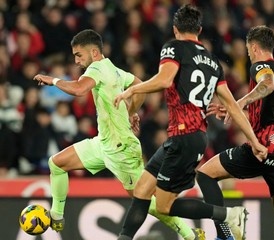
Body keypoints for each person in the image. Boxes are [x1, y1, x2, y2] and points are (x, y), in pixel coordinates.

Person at [33, 29, 207, 240]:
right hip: (104, 143)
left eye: (79, 55)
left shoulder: (96, 69)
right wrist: (131, 112)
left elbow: (79, 90)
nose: (76, 60)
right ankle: (56, 216)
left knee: (147, 202)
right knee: (57, 163)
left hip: (121, 149)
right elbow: (140, 86)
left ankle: (191, 235)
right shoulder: (113, 69)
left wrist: (53, 80)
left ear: (94, 53)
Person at [114, 5, 267, 240]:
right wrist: (254, 140)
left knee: (164, 206)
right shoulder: (213, 62)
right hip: (190, 137)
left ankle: (228, 215)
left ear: (175, 29)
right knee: (142, 190)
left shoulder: (174, 48)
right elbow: (233, 107)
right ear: (199, 30)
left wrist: (131, 90)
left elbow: (165, 80)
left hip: (184, 136)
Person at [197, 25, 274, 238]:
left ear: (254, 48)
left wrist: (242, 100)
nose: (248, 55)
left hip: (263, 145)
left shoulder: (261, 66)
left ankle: (224, 234)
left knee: (204, 174)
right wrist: (234, 107)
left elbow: (268, 85)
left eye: (247, 50)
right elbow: (268, 105)